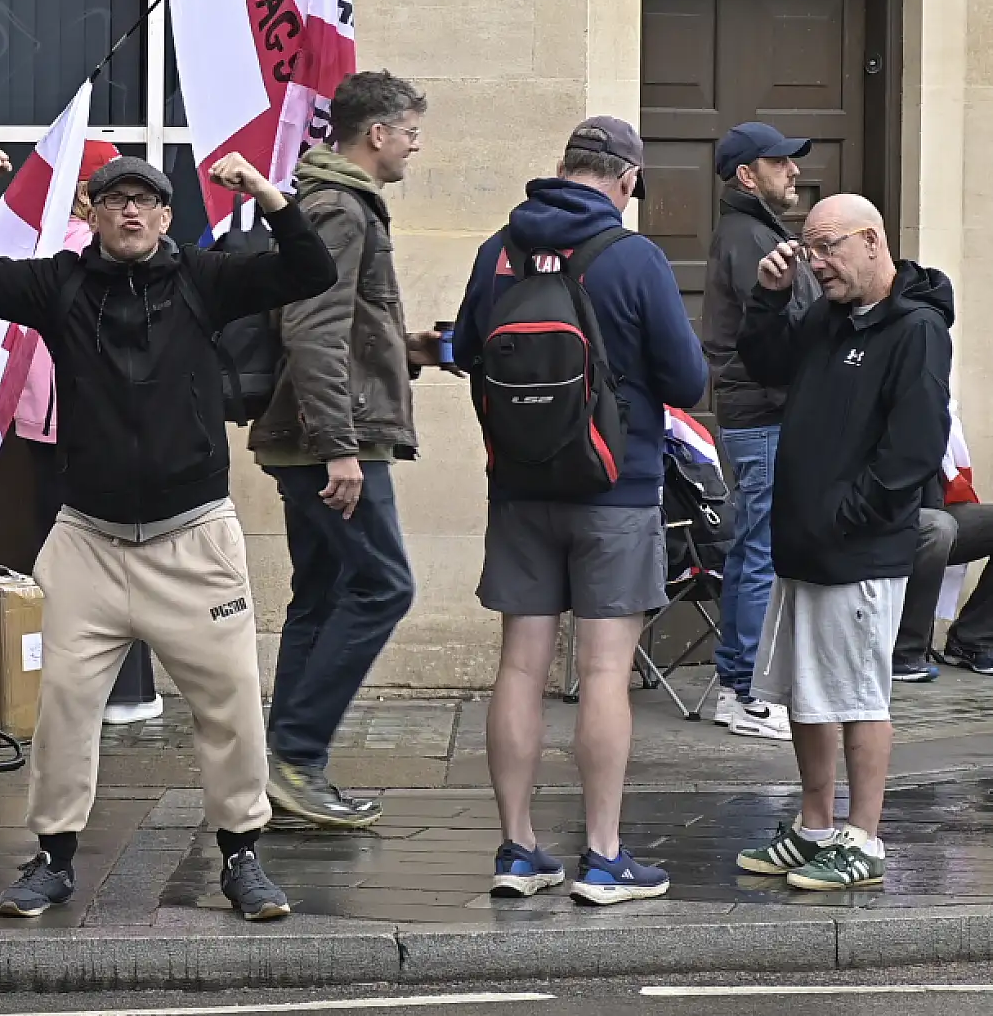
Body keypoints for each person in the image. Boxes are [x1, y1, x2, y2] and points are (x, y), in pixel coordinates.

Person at [0, 147, 337, 921]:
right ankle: (53, 859)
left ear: (166, 216)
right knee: (64, 706)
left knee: (232, 702)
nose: (131, 210)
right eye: (116, 199)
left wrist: (267, 194)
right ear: (93, 214)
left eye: (145, 200)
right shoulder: (58, 285)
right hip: (89, 542)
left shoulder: (205, 278)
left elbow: (311, 270)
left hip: (194, 538)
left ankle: (242, 855)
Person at [452, 116, 707, 906]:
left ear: (561, 166)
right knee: (603, 670)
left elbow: (463, 350)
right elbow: (687, 380)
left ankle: (518, 849)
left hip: (519, 489)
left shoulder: (498, 250)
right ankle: (602, 856)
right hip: (616, 491)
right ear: (627, 180)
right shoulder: (634, 256)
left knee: (519, 666)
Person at [733, 195, 951, 891]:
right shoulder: (830, 317)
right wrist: (770, 297)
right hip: (803, 544)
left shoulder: (916, 328)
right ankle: (814, 826)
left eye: (828, 248)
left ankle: (863, 838)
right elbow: (766, 364)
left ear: (873, 241)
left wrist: (844, 516)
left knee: (857, 696)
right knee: (807, 692)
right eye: (811, 249)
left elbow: (914, 448)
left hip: (857, 549)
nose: (817, 263)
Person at [249, 71, 434, 830]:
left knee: (323, 596)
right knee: (384, 587)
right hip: (329, 442)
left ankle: (285, 770)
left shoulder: (329, 202)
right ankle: (296, 757)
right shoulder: (340, 208)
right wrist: (339, 448)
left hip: (323, 435)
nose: (415, 146)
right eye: (410, 132)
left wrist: (406, 347)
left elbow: (341, 325)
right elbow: (311, 328)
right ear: (377, 133)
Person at [20, 138, 163, 727]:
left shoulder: (55, 247)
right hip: (88, 423)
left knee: (77, 562)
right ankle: (127, 689)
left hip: (57, 425)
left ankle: (95, 690)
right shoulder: (89, 251)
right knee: (123, 555)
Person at [700, 122, 815, 741]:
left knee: (754, 548)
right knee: (761, 552)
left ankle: (740, 685)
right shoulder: (749, 236)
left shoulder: (756, 230)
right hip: (762, 414)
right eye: (779, 162)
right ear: (747, 175)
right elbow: (779, 328)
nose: (794, 171)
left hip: (760, 414)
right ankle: (747, 691)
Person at [891, 402, 993, 678]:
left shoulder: (936, 400)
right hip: (881, 513)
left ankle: (973, 640)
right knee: (937, 528)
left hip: (929, 505)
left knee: (940, 523)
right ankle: (904, 652)